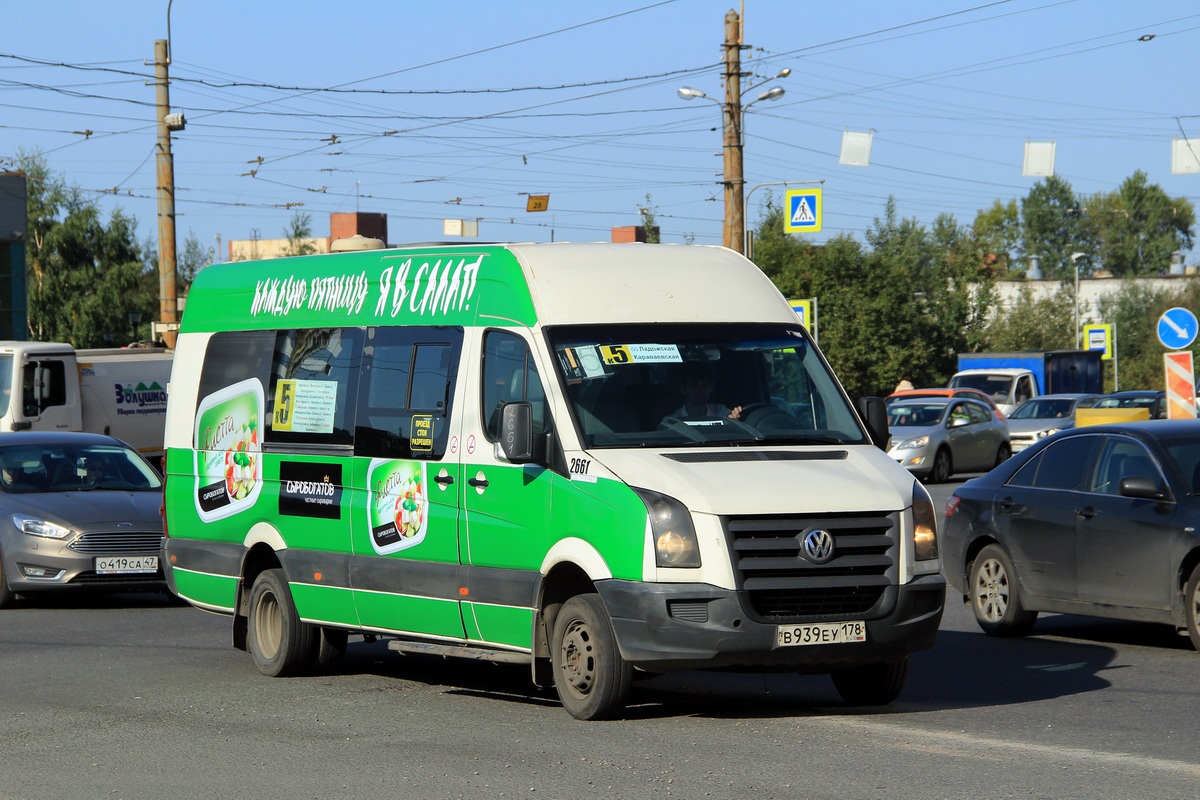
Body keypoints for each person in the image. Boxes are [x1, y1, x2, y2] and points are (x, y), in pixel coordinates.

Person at [666, 363, 742, 421]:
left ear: (711, 387)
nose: (700, 391)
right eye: (694, 385)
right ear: (683, 389)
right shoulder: (671, 422)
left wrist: (734, 420)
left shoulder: (722, 413)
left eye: (704, 385)